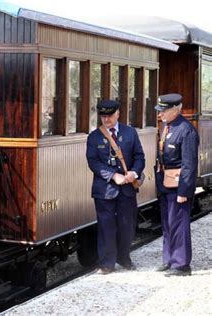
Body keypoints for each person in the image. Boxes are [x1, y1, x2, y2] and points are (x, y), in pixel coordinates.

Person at [86, 100, 145, 274]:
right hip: (104, 190)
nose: (106, 119)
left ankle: (124, 258)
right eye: (103, 116)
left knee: (127, 226)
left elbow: (139, 156)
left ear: (118, 114)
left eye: (109, 116)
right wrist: (113, 175)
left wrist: (133, 173)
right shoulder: (94, 137)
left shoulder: (130, 133)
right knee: (106, 227)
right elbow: (93, 162)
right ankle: (107, 263)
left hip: (127, 189)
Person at [154, 93, 199, 277]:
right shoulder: (168, 126)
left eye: (163, 111)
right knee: (167, 223)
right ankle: (169, 259)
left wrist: (184, 191)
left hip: (177, 185)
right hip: (165, 182)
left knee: (179, 224)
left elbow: (189, 164)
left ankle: (181, 265)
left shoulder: (186, 130)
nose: (160, 114)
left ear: (175, 110)